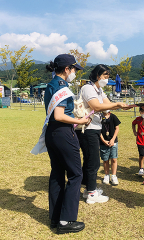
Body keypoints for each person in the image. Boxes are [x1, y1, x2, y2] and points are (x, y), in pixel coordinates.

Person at [44, 54, 90, 234]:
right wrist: (80, 120)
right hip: (63, 132)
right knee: (75, 174)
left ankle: (55, 218)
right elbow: (59, 115)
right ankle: (66, 220)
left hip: (52, 133)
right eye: (74, 69)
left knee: (57, 173)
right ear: (66, 69)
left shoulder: (51, 84)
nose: (75, 73)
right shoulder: (62, 86)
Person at [75, 64, 129, 204]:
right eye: (105, 75)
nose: (107, 78)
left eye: (108, 75)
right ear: (98, 75)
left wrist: (121, 105)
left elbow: (107, 106)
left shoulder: (99, 90)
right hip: (87, 129)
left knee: (89, 160)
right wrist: (116, 105)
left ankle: (88, 189)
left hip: (95, 128)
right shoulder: (88, 88)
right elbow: (97, 106)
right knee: (93, 161)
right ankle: (92, 193)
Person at [100, 110, 121, 185]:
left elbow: (117, 128)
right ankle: (106, 175)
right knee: (105, 160)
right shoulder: (99, 117)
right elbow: (98, 131)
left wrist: (112, 139)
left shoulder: (113, 117)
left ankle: (114, 176)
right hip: (103, 142)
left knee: (114, 159)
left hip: (113, 141)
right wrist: (103, 141)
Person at [132, 105, 144, 176]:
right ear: (140, 111)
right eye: (142, 111)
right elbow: (133, 124)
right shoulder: (137, 119)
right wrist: (134, 131)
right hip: (140, 141)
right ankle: (141, 169)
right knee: (141, 155)